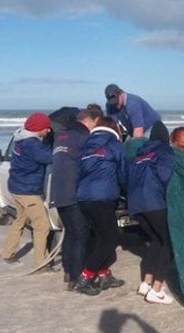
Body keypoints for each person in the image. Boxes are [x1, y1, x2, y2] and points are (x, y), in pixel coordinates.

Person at [49, 104, 102, 290]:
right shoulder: (83, 138)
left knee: (71, 233)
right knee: (81, 234)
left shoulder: (61, 137)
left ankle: (68, 272)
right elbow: (88, 165)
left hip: (58, 193)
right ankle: (78, 277)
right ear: (89, 122)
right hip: (73, 192)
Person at [74, 114, 127, 295]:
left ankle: (104, 274)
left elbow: (79, 172)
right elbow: (122, 172)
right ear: (114, 129)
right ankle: (85, 277)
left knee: (100, 238)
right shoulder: (114, 146)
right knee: (111, 239)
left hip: (83, 198)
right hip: (103, 198)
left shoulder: (85, 146)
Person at [127, 125, 176, 305]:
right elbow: (165, 176)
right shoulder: (164, 152)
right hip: (153, 202)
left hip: (135, 205)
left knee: (156, 240)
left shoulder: (139, 155)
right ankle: (156, 290)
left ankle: (146, 283)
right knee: (168, 244)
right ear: (166, 138)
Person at [0, 112, 53, 269]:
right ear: (38, 129)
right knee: (42, 225)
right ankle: (41, 263)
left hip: (16, 187)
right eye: (46, 128)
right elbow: (50, 158)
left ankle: (7, 253)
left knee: (20, 220)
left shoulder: (20, 138)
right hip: (27, 191)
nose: (49, 131)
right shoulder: (32, 144)